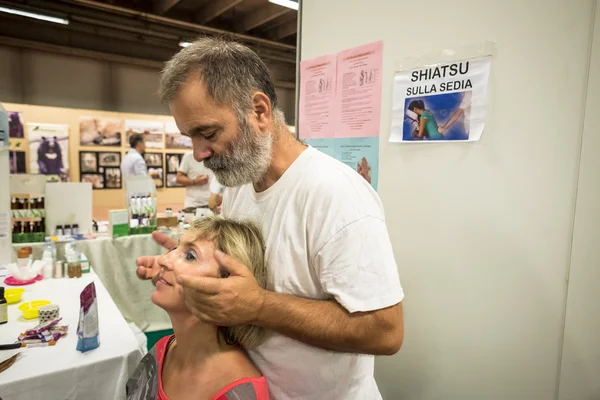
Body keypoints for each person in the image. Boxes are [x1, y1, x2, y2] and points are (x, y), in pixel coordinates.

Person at [136, 37, 404, 400]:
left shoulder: (335, 194)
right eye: (191, 137)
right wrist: (183, 266)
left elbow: (385, 332)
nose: (198, 153)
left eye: (208, 133)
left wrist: (260, 306)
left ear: (259, 111)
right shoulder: (239, 186)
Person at [127, 217, 270, 400]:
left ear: (228, 288)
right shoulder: (162, 350)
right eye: (174, 249)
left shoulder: (240, 394)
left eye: (190, 256)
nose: (163, 260)